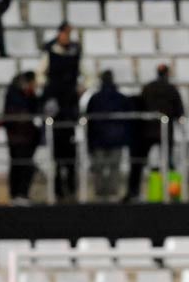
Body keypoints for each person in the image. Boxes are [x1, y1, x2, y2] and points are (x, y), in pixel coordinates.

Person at [39, 22, 83, 201]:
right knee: (57, 156)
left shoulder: (75, 51)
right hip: (57, 112)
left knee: (71, 156)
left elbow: (84, 73)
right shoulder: (50, 51)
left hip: (70, 109)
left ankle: (71, 188)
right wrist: (48, 90)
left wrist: (82, 88)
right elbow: (40, 73)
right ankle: (57, 189)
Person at [84, 70, 131, 200]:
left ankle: (100, 193)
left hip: (97, 139)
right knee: (114, 167)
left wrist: (90, 141)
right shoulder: (121, 98)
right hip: (117, 138)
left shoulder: (94, 98)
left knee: (99, 167)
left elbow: (89, 120)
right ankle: (112, 192)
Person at [3, 71, 42, 205]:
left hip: (25, 138)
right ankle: (19, 194)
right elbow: (17, 116)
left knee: (22, 166)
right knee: (22, 166)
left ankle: (19, 194)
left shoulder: (27, 95)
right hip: (20, 138)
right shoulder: (16, 96)